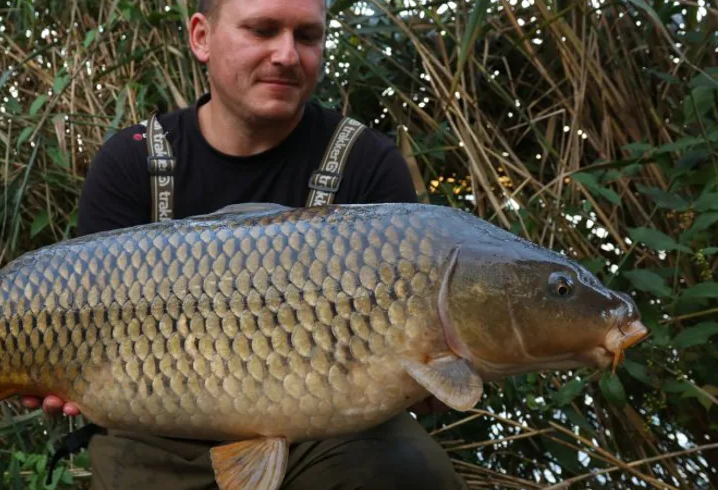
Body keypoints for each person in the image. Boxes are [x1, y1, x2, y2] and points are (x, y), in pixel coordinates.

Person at [23, 0, 468, 488]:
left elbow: (418, 365)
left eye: (307, 36)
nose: (287, 55)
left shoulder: (367, 164)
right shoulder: (131, 163)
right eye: (262, 30)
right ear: (201, 37)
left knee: (410, 470)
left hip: (327, 438)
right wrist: (56, 369)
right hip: (156, 435)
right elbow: (81, 318)